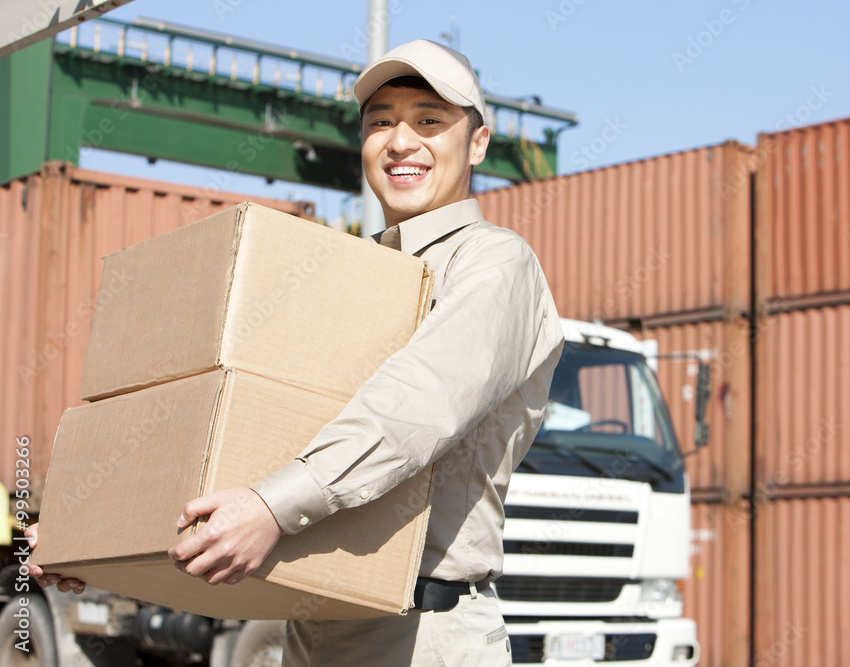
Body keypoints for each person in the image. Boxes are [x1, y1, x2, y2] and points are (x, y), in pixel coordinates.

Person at [29, 38, 563, 666]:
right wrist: (93, 536)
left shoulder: (495, 263)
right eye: (382, 121)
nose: (400, 141)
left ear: (476, 143)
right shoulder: (352, 272)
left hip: (424, 636)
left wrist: (271, 507)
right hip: (312, 621)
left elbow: (415, 407)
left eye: (428, 120)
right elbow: (239, 428)